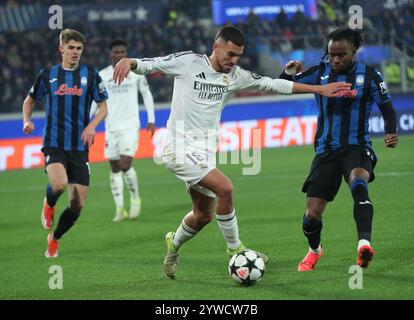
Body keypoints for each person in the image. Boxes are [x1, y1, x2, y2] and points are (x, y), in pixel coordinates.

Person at [113, 25, 350, 278]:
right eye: (230, 54)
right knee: (225, 188)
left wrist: (316, 88)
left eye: (238, 56)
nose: (233, 60)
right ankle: (235, 248)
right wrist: (131, 61)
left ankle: (174, 244)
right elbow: (153, 64)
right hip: (177, 149)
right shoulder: (188, 62)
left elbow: (271, 84)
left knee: (202, 215)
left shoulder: (235, 75)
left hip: (204, 153)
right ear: (216, 47)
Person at [279, 28, 398, 271]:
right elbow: (282, 86)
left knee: (359, 184)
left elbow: (387, 107)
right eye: (332, 54)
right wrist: (287, 72)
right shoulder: (320, 72)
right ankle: (314, 250)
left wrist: (390, 131)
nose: (336, 59)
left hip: (357, 147)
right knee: (312, 214)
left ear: (354, 51)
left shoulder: (370, 76)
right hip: (325, 152)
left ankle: (363, 244)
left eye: (341, 54)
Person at [22, 29, 108, 258]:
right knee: (59, 184)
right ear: (61, 49)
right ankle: (49, 203)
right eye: (71, 48)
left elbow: (103, 107)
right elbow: (29, 101)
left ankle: (55, 238)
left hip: (79, 148)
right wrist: (26, 121)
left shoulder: (90, 74)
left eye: (79, 49)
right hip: (54, 143)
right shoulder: (48, 75)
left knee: (77, 204)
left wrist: (91, 126)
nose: (75, 52)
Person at [91, 40, 155, 222]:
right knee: (114, 167)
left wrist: (151, 119)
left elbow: (147, 95)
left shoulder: (135, 73)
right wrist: (89, 123)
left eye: (122, 51)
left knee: (125, 164)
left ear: (126, 53)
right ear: (110, 54)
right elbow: (95, 101)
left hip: (130, 126)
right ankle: (119, 208)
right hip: (111, 128)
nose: (119, 54)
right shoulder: (102, 75)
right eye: (116, 51)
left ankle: (135, 199)